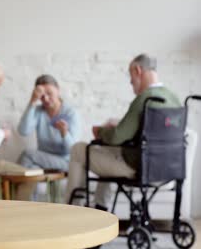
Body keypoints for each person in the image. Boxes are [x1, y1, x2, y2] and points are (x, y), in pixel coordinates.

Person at [65, 53, 182, 211]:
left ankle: (72, 210)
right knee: (105, 151)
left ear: (137, 70)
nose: (130, 81)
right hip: (166, 169)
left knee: (79, 149)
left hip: (138, 167)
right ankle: (100, 206)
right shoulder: (174, 98)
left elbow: (116, 137)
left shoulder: (144, 99)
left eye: (130, 76)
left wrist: (100, 131)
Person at [16, 74, 80, 200]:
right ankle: (29, 210)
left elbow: (73, 151)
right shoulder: (39, 111)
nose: (46, 98)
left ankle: (14, 201)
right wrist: (32, 102)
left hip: (64, 161)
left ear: (58, 90)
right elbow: (23, 131)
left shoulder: (70, 113)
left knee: (27, 155)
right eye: (42, 95)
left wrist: (64, 133)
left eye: (49, 93)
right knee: (30, 172)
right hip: (41, 161)